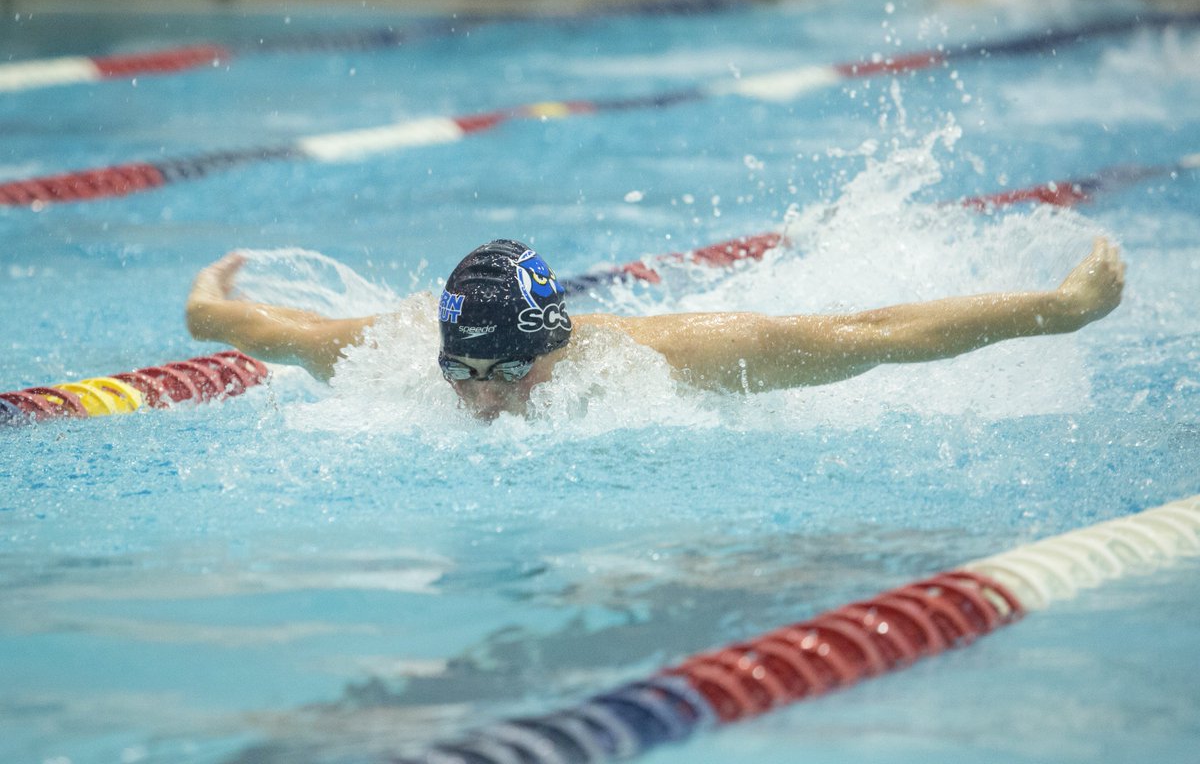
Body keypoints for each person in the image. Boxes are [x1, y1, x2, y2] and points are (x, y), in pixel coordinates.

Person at [187, 237, 1125, 420]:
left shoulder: (666, 360)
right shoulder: (389, 353)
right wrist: (211, 289)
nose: (483, 397)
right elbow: (240, 322)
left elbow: (875, 331)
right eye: (462, 371)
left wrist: (1062, 309)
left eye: (506, 372)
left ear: (552, 346)